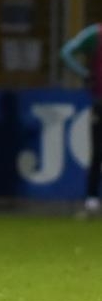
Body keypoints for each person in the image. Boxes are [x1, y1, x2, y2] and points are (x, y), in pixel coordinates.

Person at [60, 23, 102, 218]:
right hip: (100, 100)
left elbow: (66, 52)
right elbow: (66, 52)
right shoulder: (95, 34)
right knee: (98, 151)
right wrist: (87, 74)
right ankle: (92, 199)